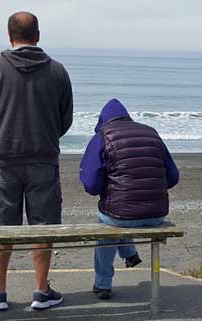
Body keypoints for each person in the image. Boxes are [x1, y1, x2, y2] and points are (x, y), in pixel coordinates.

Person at [0, 11, 74, 311]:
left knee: (1, 226)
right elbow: (64, 119)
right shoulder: (57, 72)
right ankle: (41, 290)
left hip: (3, 158)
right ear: (38, 35)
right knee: (44, 226)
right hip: (43, 157)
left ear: (9, 36)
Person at [79, 98, 179, 299]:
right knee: (120, 215)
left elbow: (90, 184)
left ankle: (103, 284)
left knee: (110, 222)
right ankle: (129, 254)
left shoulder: (102, 137)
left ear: (102, 120)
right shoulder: (152, 133)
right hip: (157, 214)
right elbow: (173, 177)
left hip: (120, 215)